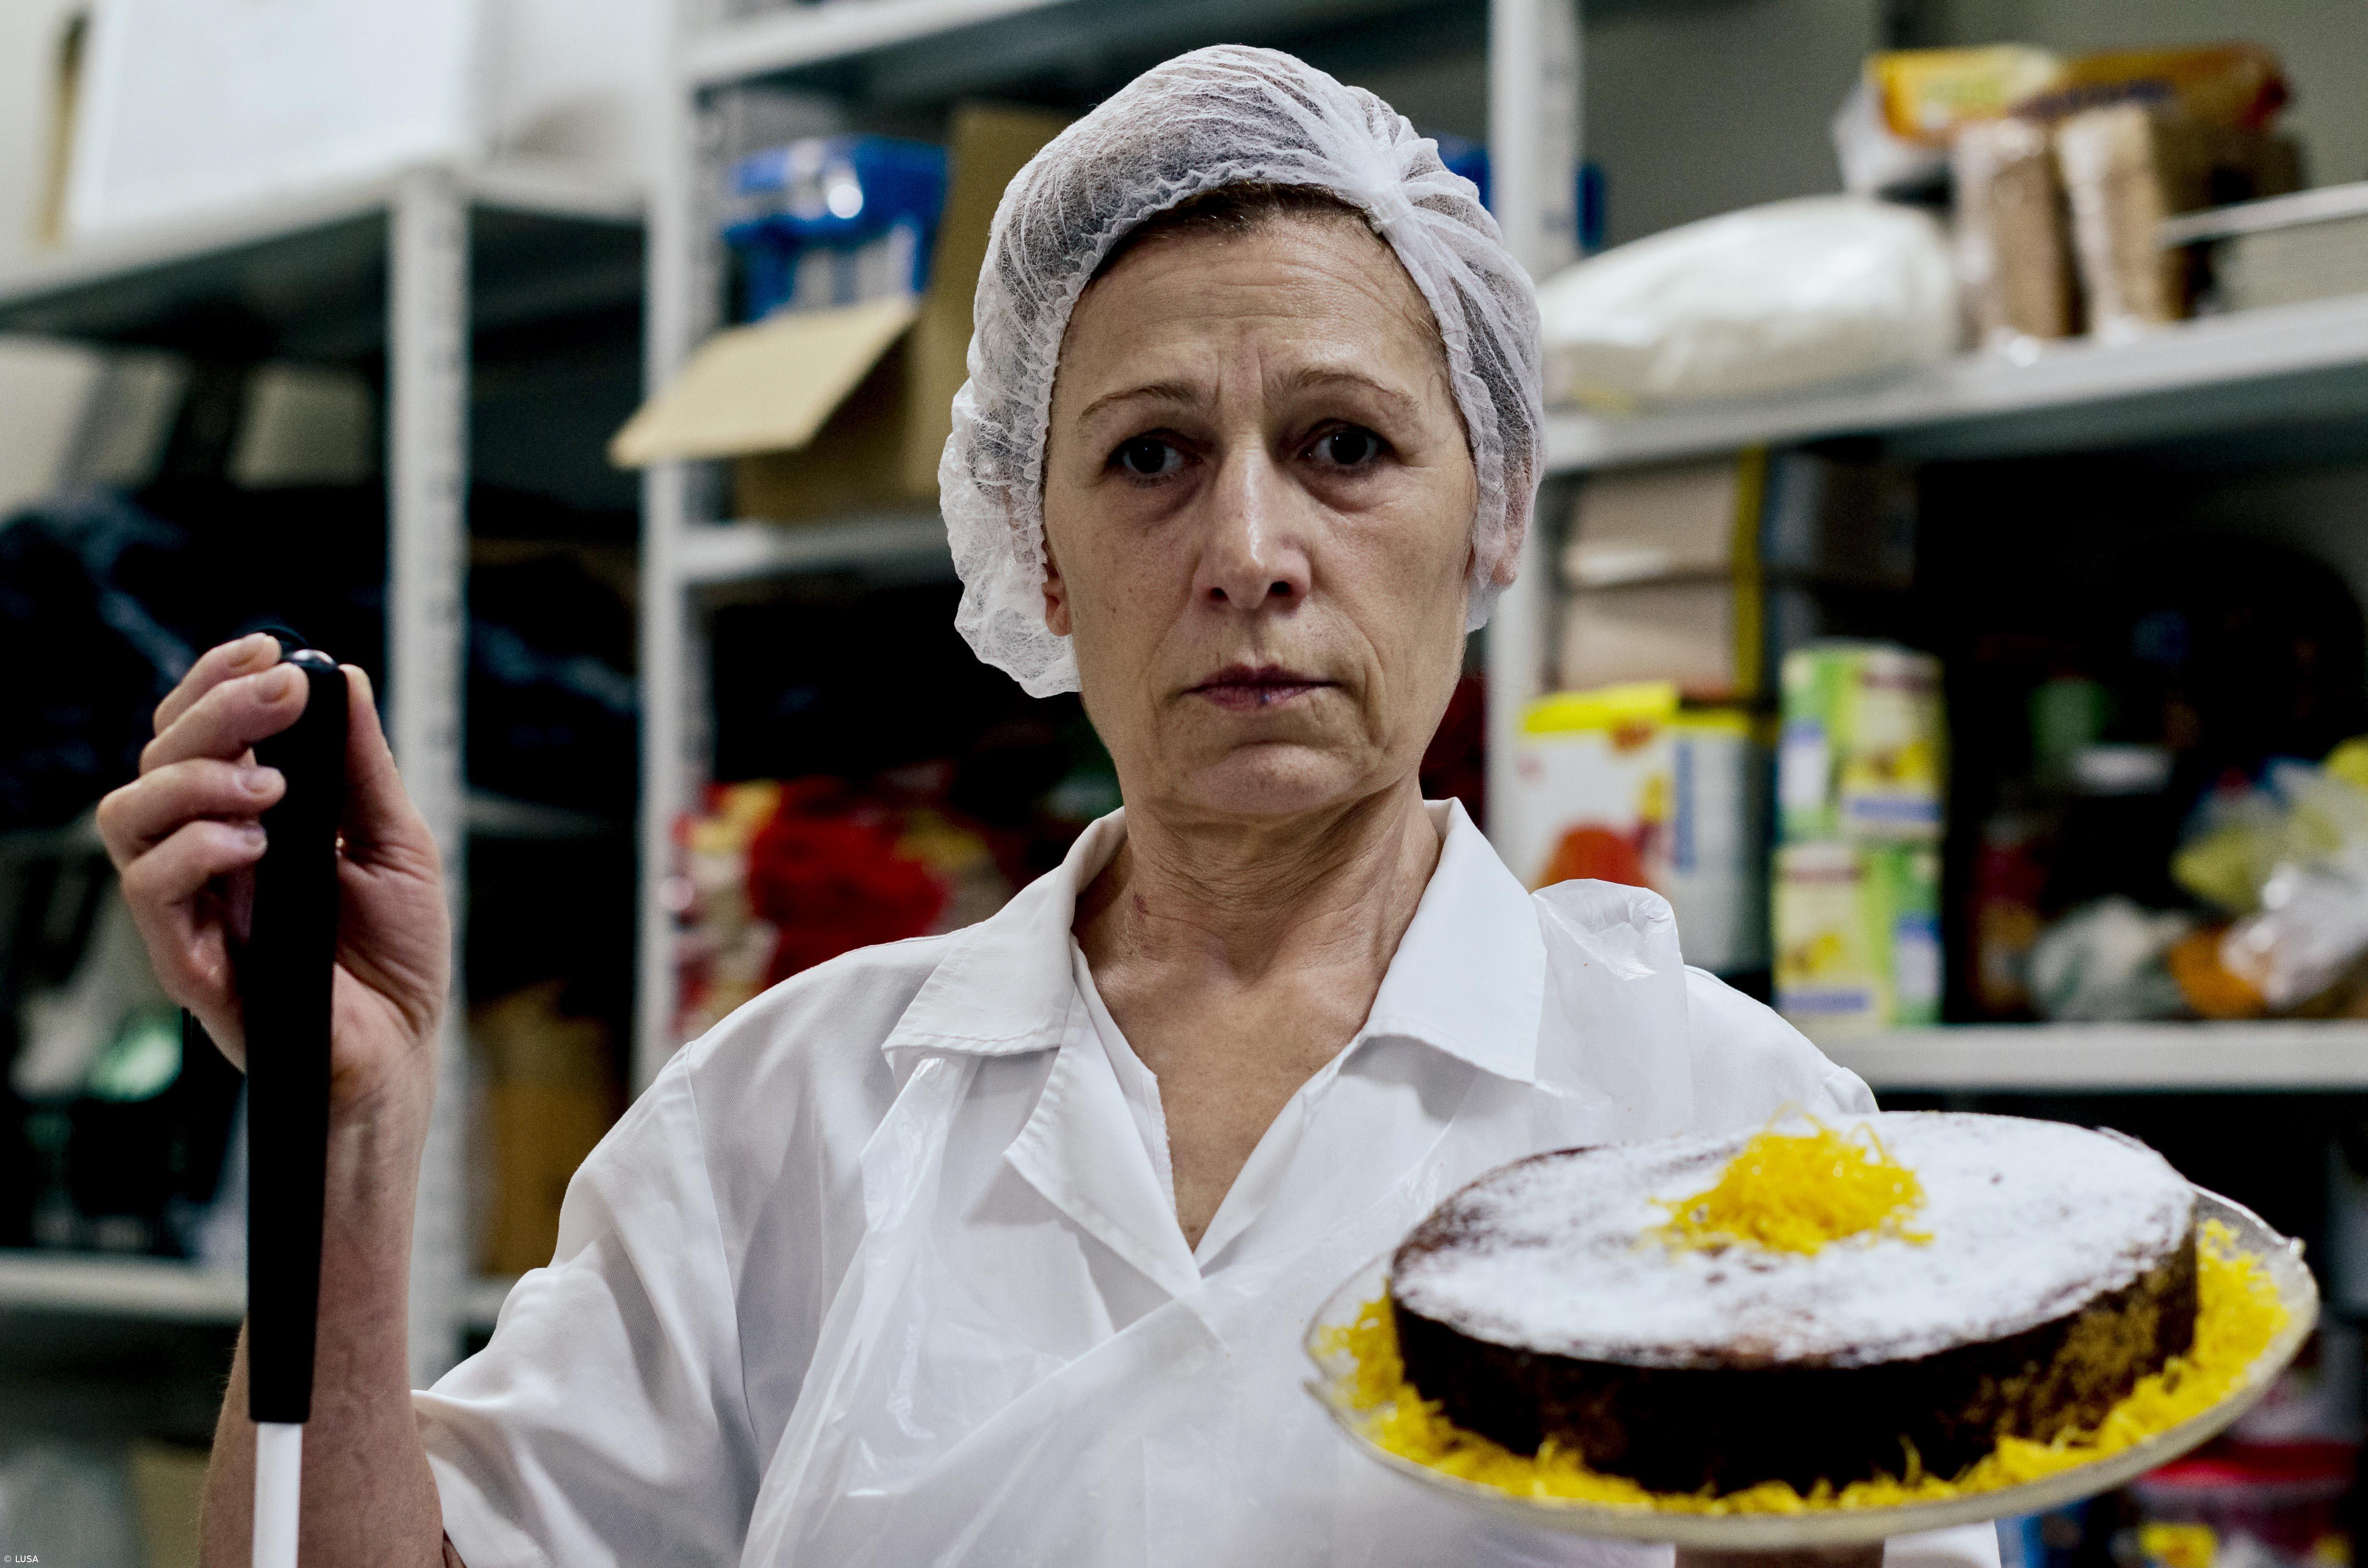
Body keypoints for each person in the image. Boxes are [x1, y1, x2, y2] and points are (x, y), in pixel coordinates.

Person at [102, 45, 2001, 1568]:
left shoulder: (1725, 1131)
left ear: (1489, 510)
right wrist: (345, 1139)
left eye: (1343, 446)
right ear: (1038, 548)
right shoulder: (784, 1121)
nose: (1251, 550)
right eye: (1152, 457)